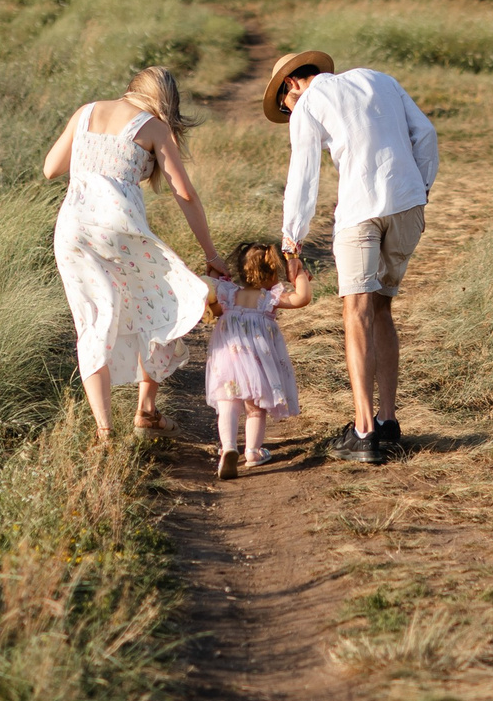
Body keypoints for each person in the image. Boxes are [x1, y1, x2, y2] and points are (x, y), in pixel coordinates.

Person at [264, 49, 437, 465]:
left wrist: (292, 241)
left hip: (360, 213)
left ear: (291, 85)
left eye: (285, 108)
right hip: (407, 205)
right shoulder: (379, 78)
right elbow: (426, 134)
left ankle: (363, 431)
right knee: (381, 309)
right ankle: (388, 421)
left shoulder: (308, 102)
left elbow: (303, 175)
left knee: (355, 313)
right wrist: (421, 189)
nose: (290, 115)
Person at [41, 64, 217, 442]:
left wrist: (92, 158)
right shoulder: (154, 128)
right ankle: (146, 411)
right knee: (162, 302)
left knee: (92, 322)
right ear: (166, 101)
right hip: (118, 230)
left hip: (72, 230)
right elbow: (185, 194)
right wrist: (211, 254)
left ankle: (105, 432)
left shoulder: (86, 112)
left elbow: (50, 169)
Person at [203, 240, 311, 479]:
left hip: (227, 360)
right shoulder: (269, 298)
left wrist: (214, 272)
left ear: (240, 271)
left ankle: (228, 447)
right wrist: (300, 273)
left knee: (227, 402)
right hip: (258, 363)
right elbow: (302, 298)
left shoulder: (228, 294)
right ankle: (252, 452)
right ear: (272, 273)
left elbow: (212, 302)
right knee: (255, 407)